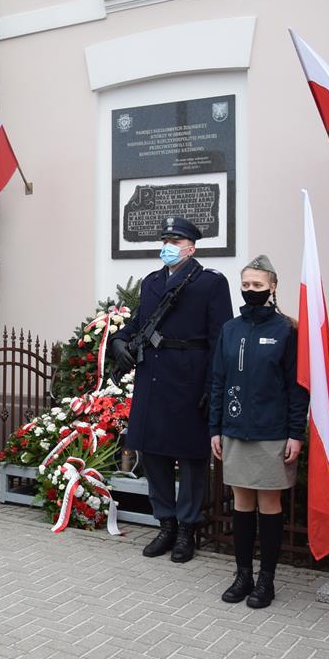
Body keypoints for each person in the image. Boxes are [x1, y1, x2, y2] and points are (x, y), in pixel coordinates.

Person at [110, 217, 233, 562]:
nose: (168, 245)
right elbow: (138, 323)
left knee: (191, 459)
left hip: (190, 377)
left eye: (175, 240)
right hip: (153, 377)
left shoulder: (210, 283)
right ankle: (165, 523)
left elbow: (219, 339)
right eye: (165, 239)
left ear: (191, 247)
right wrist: (120, 341)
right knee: (154, 454)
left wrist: (212, 385)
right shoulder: (152, 282)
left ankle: (187, 529)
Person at [208, 256, 308, 609]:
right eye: (246, 285)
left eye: (257, 285)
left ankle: (266, 580)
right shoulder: (230, 329)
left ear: (273, 285)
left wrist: (296, 433)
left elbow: (298, 387)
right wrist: (215, 429)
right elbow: (219, 380)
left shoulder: (287, 331)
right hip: (235, 431)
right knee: (241, 504)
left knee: (269, 504)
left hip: (272, 433)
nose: (251, 291)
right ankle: (242, 575)